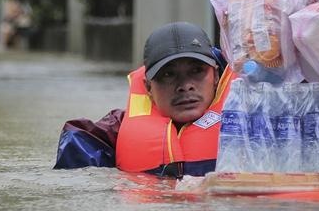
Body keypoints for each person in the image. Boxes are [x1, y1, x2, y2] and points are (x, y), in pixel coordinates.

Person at [54, 22, 237, 177]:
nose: (185, 85)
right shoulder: (117, 128)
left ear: (215, 76)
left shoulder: (247, 115)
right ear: (148, 87)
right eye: (168, 74)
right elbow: (76, 143)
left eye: (196, 71)